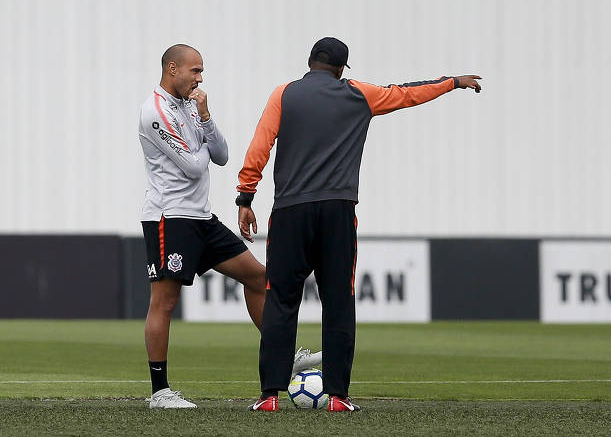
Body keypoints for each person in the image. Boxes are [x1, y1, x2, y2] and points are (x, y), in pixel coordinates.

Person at [235, 37, 482, 412]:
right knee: (338, 301)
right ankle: (337, 397)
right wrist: (453, 82)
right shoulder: (358, 94)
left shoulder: (283, 94)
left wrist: (245, 196)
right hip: (337, 211)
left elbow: (259, 147)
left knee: (281, 300)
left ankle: (269, 397)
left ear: (310, 62)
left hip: (290, 212)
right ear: (340, 69)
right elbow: (406, 94)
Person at [138, 44, 321, 409]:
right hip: (169, 217)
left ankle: (285, 356)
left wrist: (205, 118)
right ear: (173, 69)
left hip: (201, 217)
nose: (201, 78)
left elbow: (220, 155)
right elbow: (192, 167)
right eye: (195, 70)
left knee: (258, 278)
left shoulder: (191, 105)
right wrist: (202, 146)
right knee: (165, 300)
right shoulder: (153, 112)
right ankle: (160, 392)